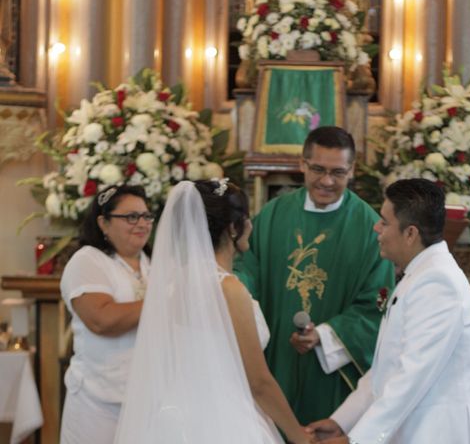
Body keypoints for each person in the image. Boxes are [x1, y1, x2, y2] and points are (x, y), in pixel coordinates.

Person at [114, 179, 314, 444]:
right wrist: (298, 435)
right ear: (233, 228)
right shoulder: (229, 289)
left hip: (175, 418)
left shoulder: (174, 284)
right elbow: (258, 382)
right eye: (247, 219)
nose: (251, 226)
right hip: (225, 419)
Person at [234, 126, 395, 423]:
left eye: (338, 172)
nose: (327, 181)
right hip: (276, 360)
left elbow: (377, 307)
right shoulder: (273, 215)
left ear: (352, 170)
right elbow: (247, 272)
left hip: (332, 376)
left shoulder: (371, 229)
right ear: (302, 164)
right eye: (318, 169)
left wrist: (323, 336)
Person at [307, 178, 470, 443]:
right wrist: (342, 422)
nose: (376, 227)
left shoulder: (438, 282)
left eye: (385, 222)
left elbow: (411, 375)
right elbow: (386, 367)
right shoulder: (420, 274)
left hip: (437, 433)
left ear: (411, 233)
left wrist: (356, 440)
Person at [59, 185, 153, 444]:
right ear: (103, 222)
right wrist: (163, 301)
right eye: (131, 217)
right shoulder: (87, 261)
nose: (142, 224)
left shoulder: (152, 263)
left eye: (146, 216)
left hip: (145, 399)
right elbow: (102, 320)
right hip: (97, 403)